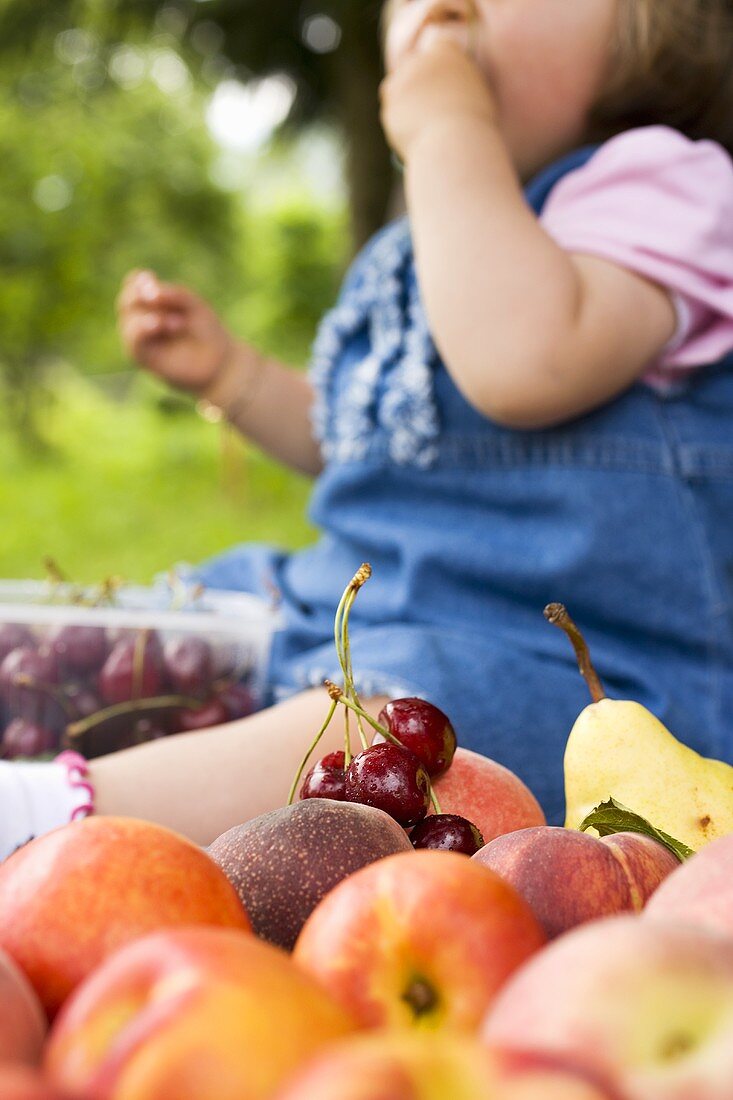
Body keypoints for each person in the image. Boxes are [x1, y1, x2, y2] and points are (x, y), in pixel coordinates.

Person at [3, 0, 733, 858]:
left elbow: (520, 364)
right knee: (145, 634)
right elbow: (377, 441)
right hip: (339, 605)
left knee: (389, 722)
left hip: (555, 667)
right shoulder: (445, 222)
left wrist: (446, 129)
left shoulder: (669, 183)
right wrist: (237, 380)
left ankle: (46, 819)